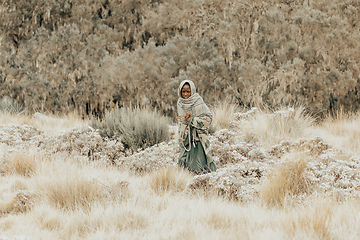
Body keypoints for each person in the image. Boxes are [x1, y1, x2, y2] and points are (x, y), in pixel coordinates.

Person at [177, 80, 217, 174]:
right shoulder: (180, 103)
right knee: (182, 164)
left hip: (198, 140)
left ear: (192, 91)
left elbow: (208, 119)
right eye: (183, 91)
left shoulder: (198, 102)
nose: (186, 94)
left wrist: (192, 120)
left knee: (198, 168)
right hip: (186, 140)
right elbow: (181, 123)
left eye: (188, 91)